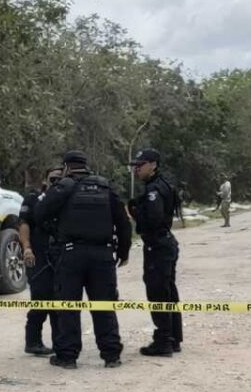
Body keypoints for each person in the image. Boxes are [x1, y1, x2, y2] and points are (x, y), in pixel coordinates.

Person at [34, 150, 132, 369]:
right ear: (86, 166)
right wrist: (123, 253)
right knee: (104, 305)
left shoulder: (64, 187)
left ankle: (67, 357)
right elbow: (124, 223)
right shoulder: (106, 187)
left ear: (67, 167)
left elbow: (40, 213)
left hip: (71, 255)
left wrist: (55, 232)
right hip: (103, 256)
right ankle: (111, 355)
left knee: (69, 306)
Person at [129, 149, 182, 357]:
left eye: (140, 165)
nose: (136, 169)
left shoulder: (154, 190)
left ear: (153, 165)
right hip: (164, 244)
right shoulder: (163, 184)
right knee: (168, 292)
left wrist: (135, 213)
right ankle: (173, 337)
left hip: (158, 246)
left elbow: (153, 219)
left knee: (158, 293)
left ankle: (163, 342)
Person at [20, 165, 64, 355]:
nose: (56, 183)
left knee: (59, 300)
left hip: (60, 256)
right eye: (53, 179)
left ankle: (60, 342)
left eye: (60, 179)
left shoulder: (66, 198)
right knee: (40, 298)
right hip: (38, 255)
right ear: (45, 181)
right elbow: (23, 224)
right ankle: (33, 341)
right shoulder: (33, 199)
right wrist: (27, 248)